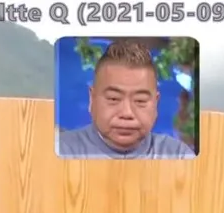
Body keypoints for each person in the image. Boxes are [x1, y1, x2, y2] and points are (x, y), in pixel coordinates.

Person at [55, 39, 196, 159]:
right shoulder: (61, 151)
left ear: (156, 103)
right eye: (113, 98)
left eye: (140, 100)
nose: (127, 113)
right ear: (92, 99)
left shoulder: (178, 155)